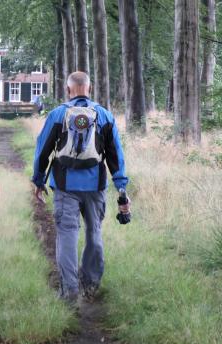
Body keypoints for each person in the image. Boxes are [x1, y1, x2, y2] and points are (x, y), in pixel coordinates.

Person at [31, 71, 130, 305]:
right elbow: (116, 154)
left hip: (65, 186)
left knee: (67, 234)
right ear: (90, 87)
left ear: (68, 90)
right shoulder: (104, 115)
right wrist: (121, 187)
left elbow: (42, 149)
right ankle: (92, 283)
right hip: (95, 186)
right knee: (94, 232)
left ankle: (70, 290)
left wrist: (38, 181)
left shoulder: (58, 114)